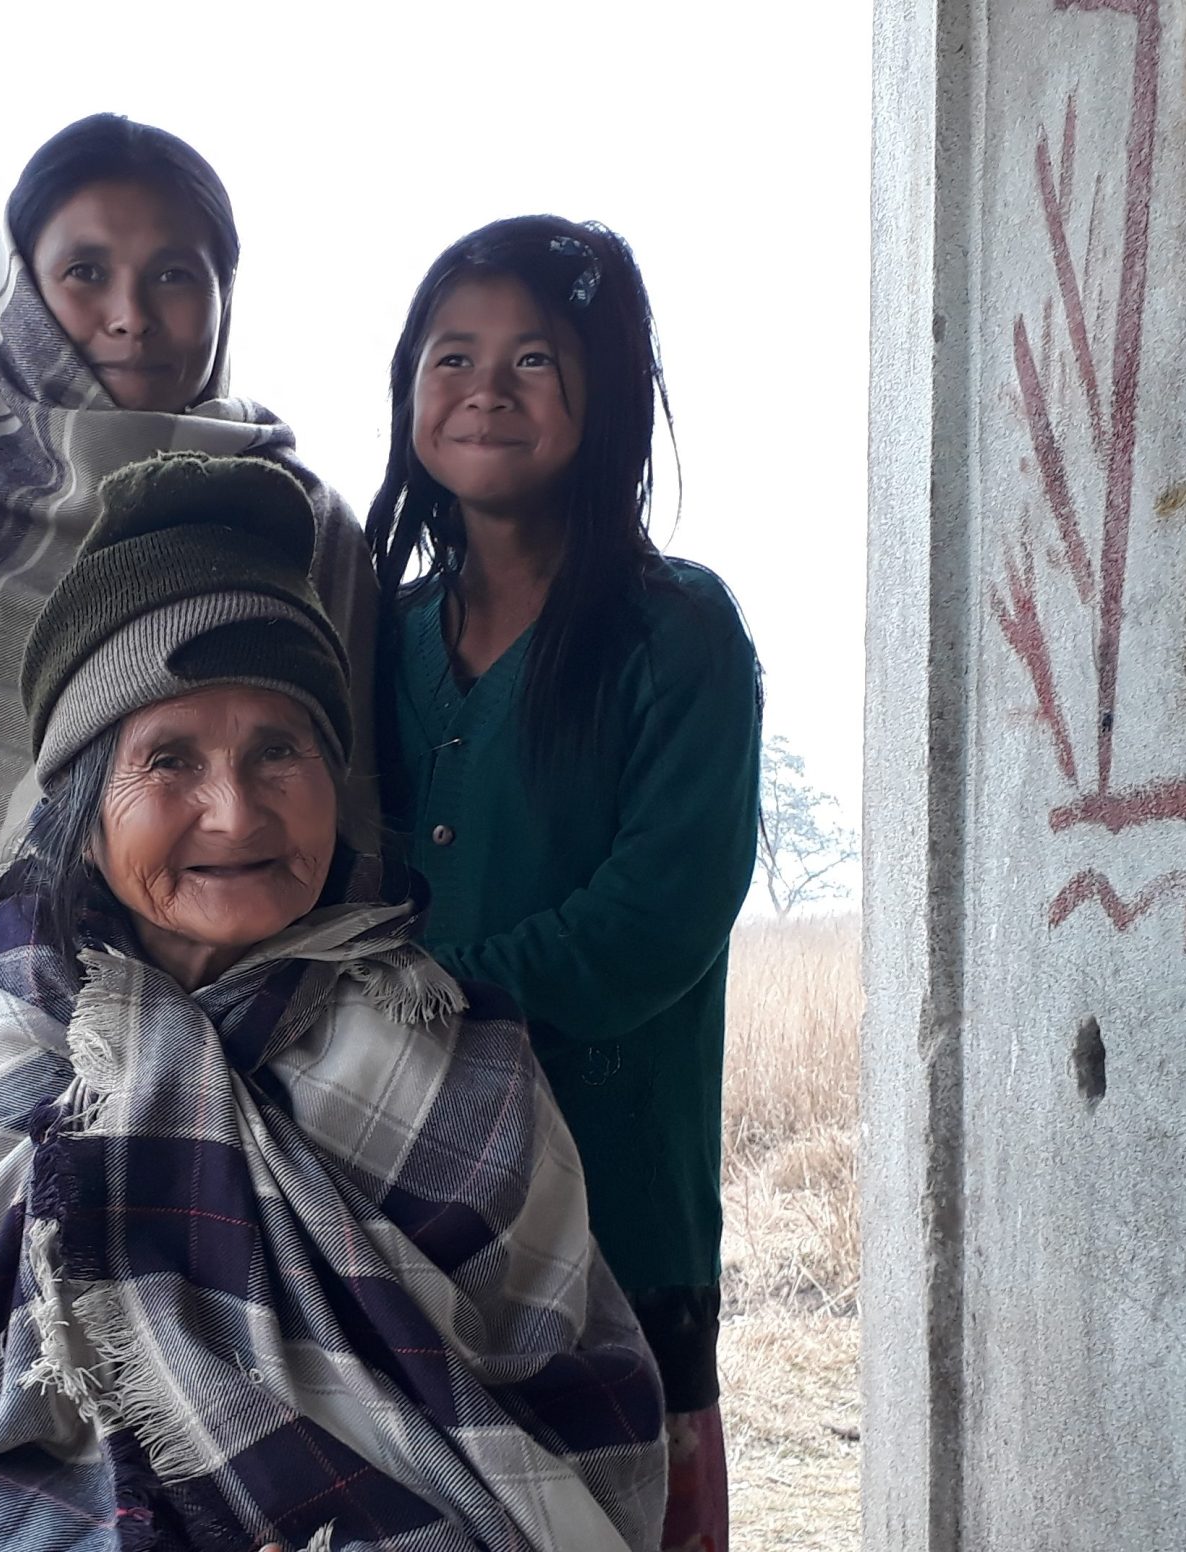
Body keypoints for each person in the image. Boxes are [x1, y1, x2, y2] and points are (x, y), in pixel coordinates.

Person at [0, 452, 665, 1552]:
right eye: (167, 759)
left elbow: (573, 1407)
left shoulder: (450, 1048)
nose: (233, 812)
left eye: (280, 749)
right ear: (80, 808)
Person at [366, 218, 761, 1552]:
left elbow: (659, 914)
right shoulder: (377, 635)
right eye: (452, 354)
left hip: (614, 1211)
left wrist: (424, 1005)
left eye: (535, 358)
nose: (485, 386)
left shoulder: (679, 635)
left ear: (609, 394)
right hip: (393, 1197)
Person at [0, 112, 378, 889]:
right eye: (86, 271)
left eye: (175, 274)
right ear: (20, 291)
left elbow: (350, 786)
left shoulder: (303, 514)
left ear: (225, 294)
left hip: (286, 956)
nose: (132, 316)